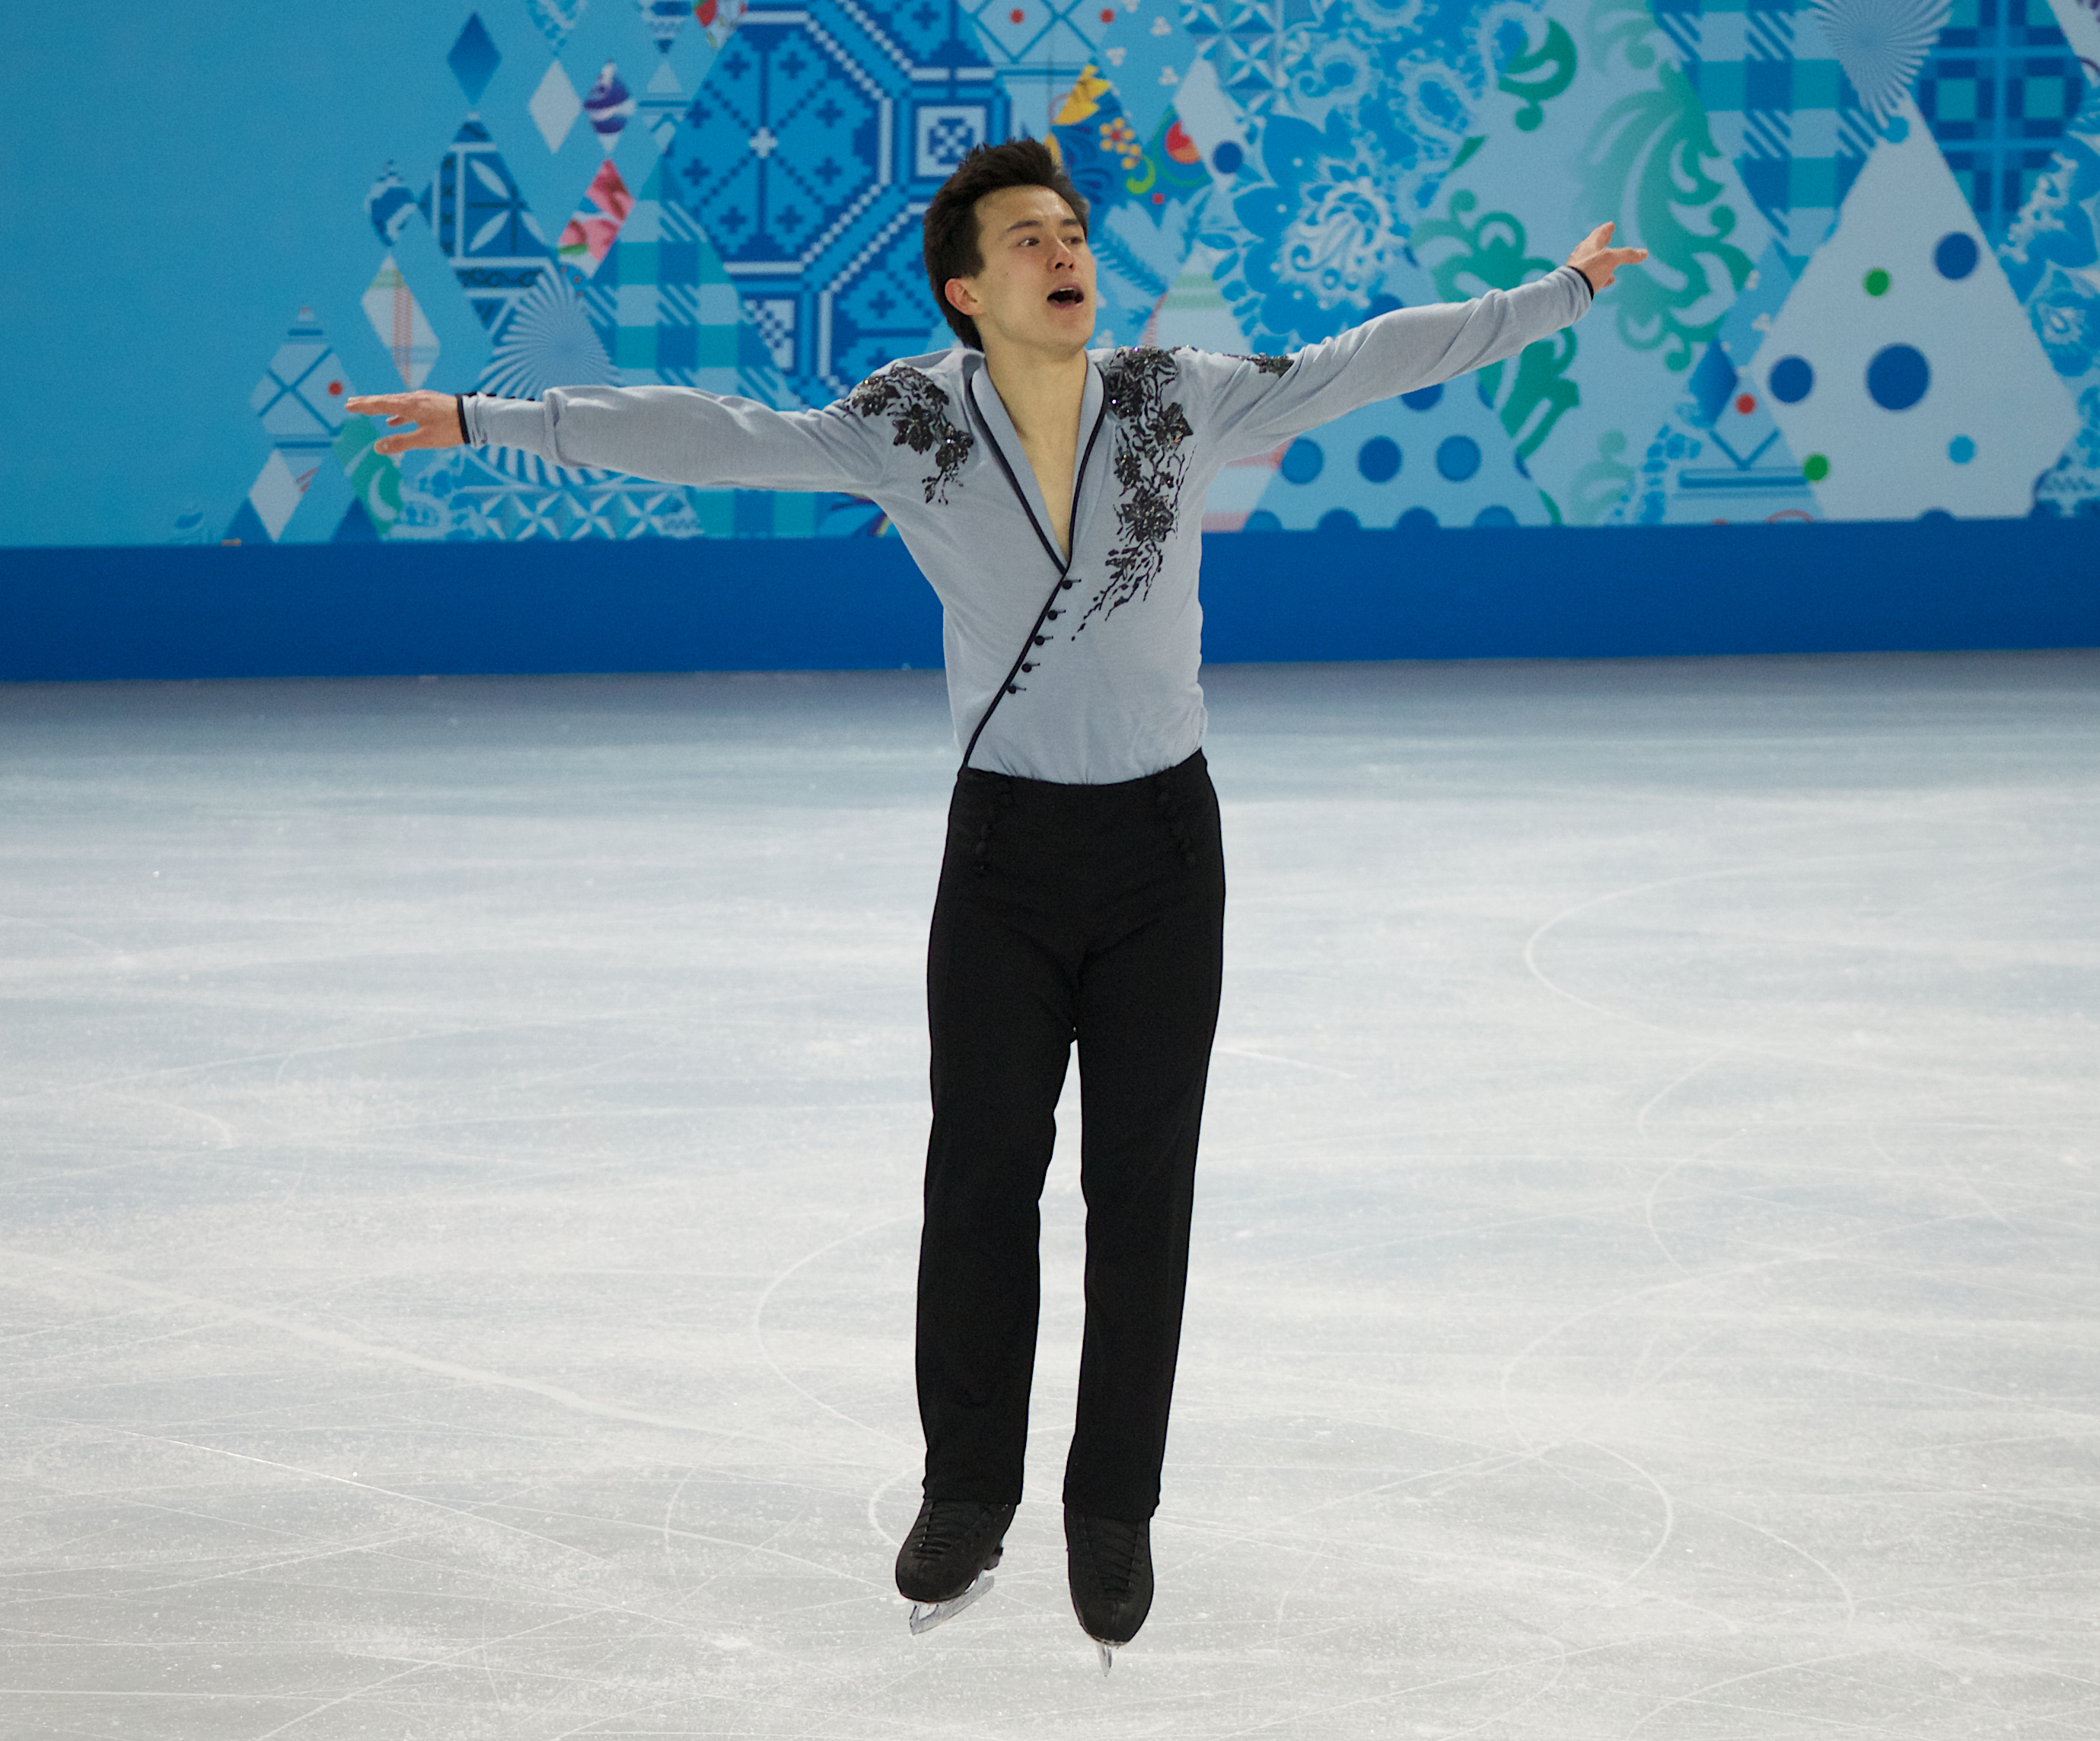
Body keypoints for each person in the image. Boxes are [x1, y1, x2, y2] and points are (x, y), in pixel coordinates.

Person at [349, 137, 1644, 1666]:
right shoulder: (911, 421)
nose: (1063, 250)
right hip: (1008, 857)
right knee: (980, 1177)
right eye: (1027, 238)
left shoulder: (1176, 395)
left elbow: (1365, 362)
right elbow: (715, 435)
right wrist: (494, 417)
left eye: (1074, 229)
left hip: (1166, 852)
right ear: (968, 289)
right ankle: (969, 1486)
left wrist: (1554, 298)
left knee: (1140, 1190)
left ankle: (1114, 1508)